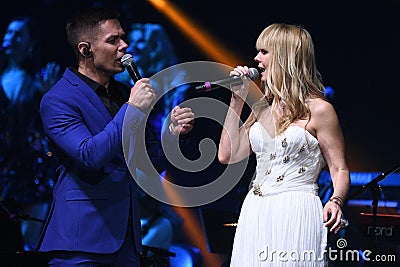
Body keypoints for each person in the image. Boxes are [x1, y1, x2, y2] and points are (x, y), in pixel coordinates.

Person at [35, 7, 194, 267]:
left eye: (123, 37)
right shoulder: (58, 99)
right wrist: (131, 109)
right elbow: (90, 155)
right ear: (85, 49)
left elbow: (148, 164)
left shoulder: (124, 94)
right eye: (113, 40)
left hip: (126, 243)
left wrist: (173, 135)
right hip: (81, 245)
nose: (125, 45)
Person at [218, 23, 350, 266]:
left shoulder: (320, 110)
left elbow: (339, 169)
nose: (256, 58)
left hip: (295, 209)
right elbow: (227, 155)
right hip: (256, 211)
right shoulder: (261, 108)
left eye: (264, 52)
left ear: (286, 57)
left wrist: (336, 200)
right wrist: (236, 101)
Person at [114, 22, 189, 256]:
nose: (131, 47)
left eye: (139, 42)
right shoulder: (125, 85)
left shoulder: (172, 82)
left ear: (155, 46)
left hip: (157, 160)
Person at [0, 15, 60, 251]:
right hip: (4, 169)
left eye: (18, 35)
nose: (10, 38)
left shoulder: (34, 83)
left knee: (25, 243)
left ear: (30, 44)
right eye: (8, 32)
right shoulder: (4, 78)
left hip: (28, 172)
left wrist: (47, 97)